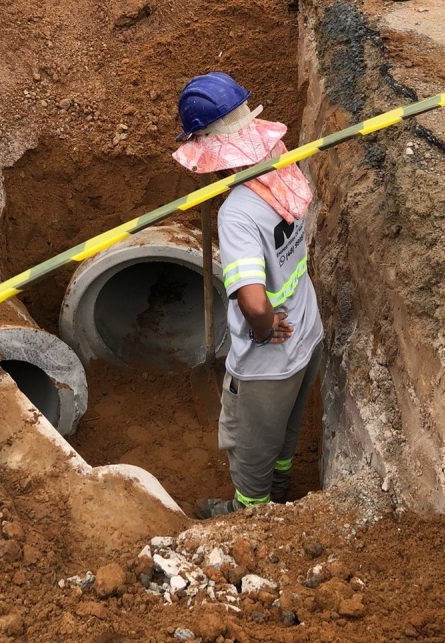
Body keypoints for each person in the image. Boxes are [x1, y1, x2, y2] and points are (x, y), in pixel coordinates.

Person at [172, 72, 324, 518]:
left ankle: (251, 513)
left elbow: (254, 302)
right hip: (307, 329)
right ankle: (280, 491)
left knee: (252, 444)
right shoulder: (280, 166)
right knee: (285, 432)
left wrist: (262, 328)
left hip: (270, 361)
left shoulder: (237, 213)